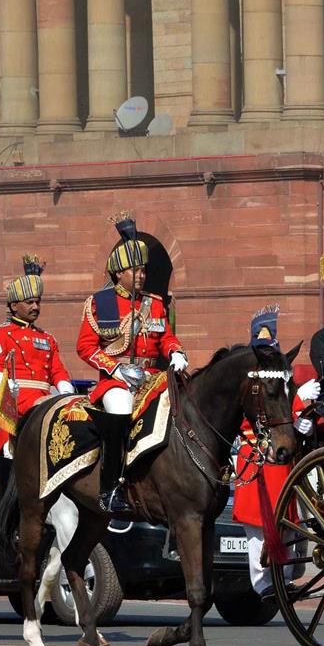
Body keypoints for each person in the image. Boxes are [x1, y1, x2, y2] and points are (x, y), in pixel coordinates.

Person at [77, 216, 188, 513]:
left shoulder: (154, 302)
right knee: (122, 409)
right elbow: (85, 347)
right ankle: (110, 488)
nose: (141, 275)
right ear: (118, 273)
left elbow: (165, 337)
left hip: (153, 376)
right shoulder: (101, 303)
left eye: (142, 270)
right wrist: (114, 369)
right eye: (135, 270)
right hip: (116, 380)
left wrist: (176, 352)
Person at [231, 306, 320, 602]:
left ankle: (282, 578)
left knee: (287, 522)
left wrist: (300, 419)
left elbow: (284, 405)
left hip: (281, 456)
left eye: (270, 338)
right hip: (256, 454)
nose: (267, 343)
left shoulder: (280, 369)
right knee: (258, 527)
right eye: (263, 339)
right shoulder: (249, 372)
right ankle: (262, 581)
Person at [0, 255, 76, 468]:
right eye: (29, 302)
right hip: (15, 398)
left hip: (43, 397)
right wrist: (6, 385)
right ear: (13, 306)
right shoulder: (1, 334)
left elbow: (57, 370)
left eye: (38, 302)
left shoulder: (47, 338)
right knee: (10, 447)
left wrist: (65, 388)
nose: (35, 306)